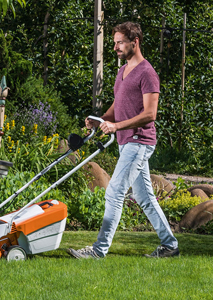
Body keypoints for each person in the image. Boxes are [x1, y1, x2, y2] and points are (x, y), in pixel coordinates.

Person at [68, 22, 179, 259]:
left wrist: (116, 126)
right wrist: (100, 119)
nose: (116, 47)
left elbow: (150, 114)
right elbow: (119, 105)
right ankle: (170, 245)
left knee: (115, 191)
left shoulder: (147, 73)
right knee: (144, 197)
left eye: (120, 42)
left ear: (134, 42)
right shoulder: (123, 71)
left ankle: (98, 251)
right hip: (126, 141)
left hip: (140, 141)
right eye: (115, 43)